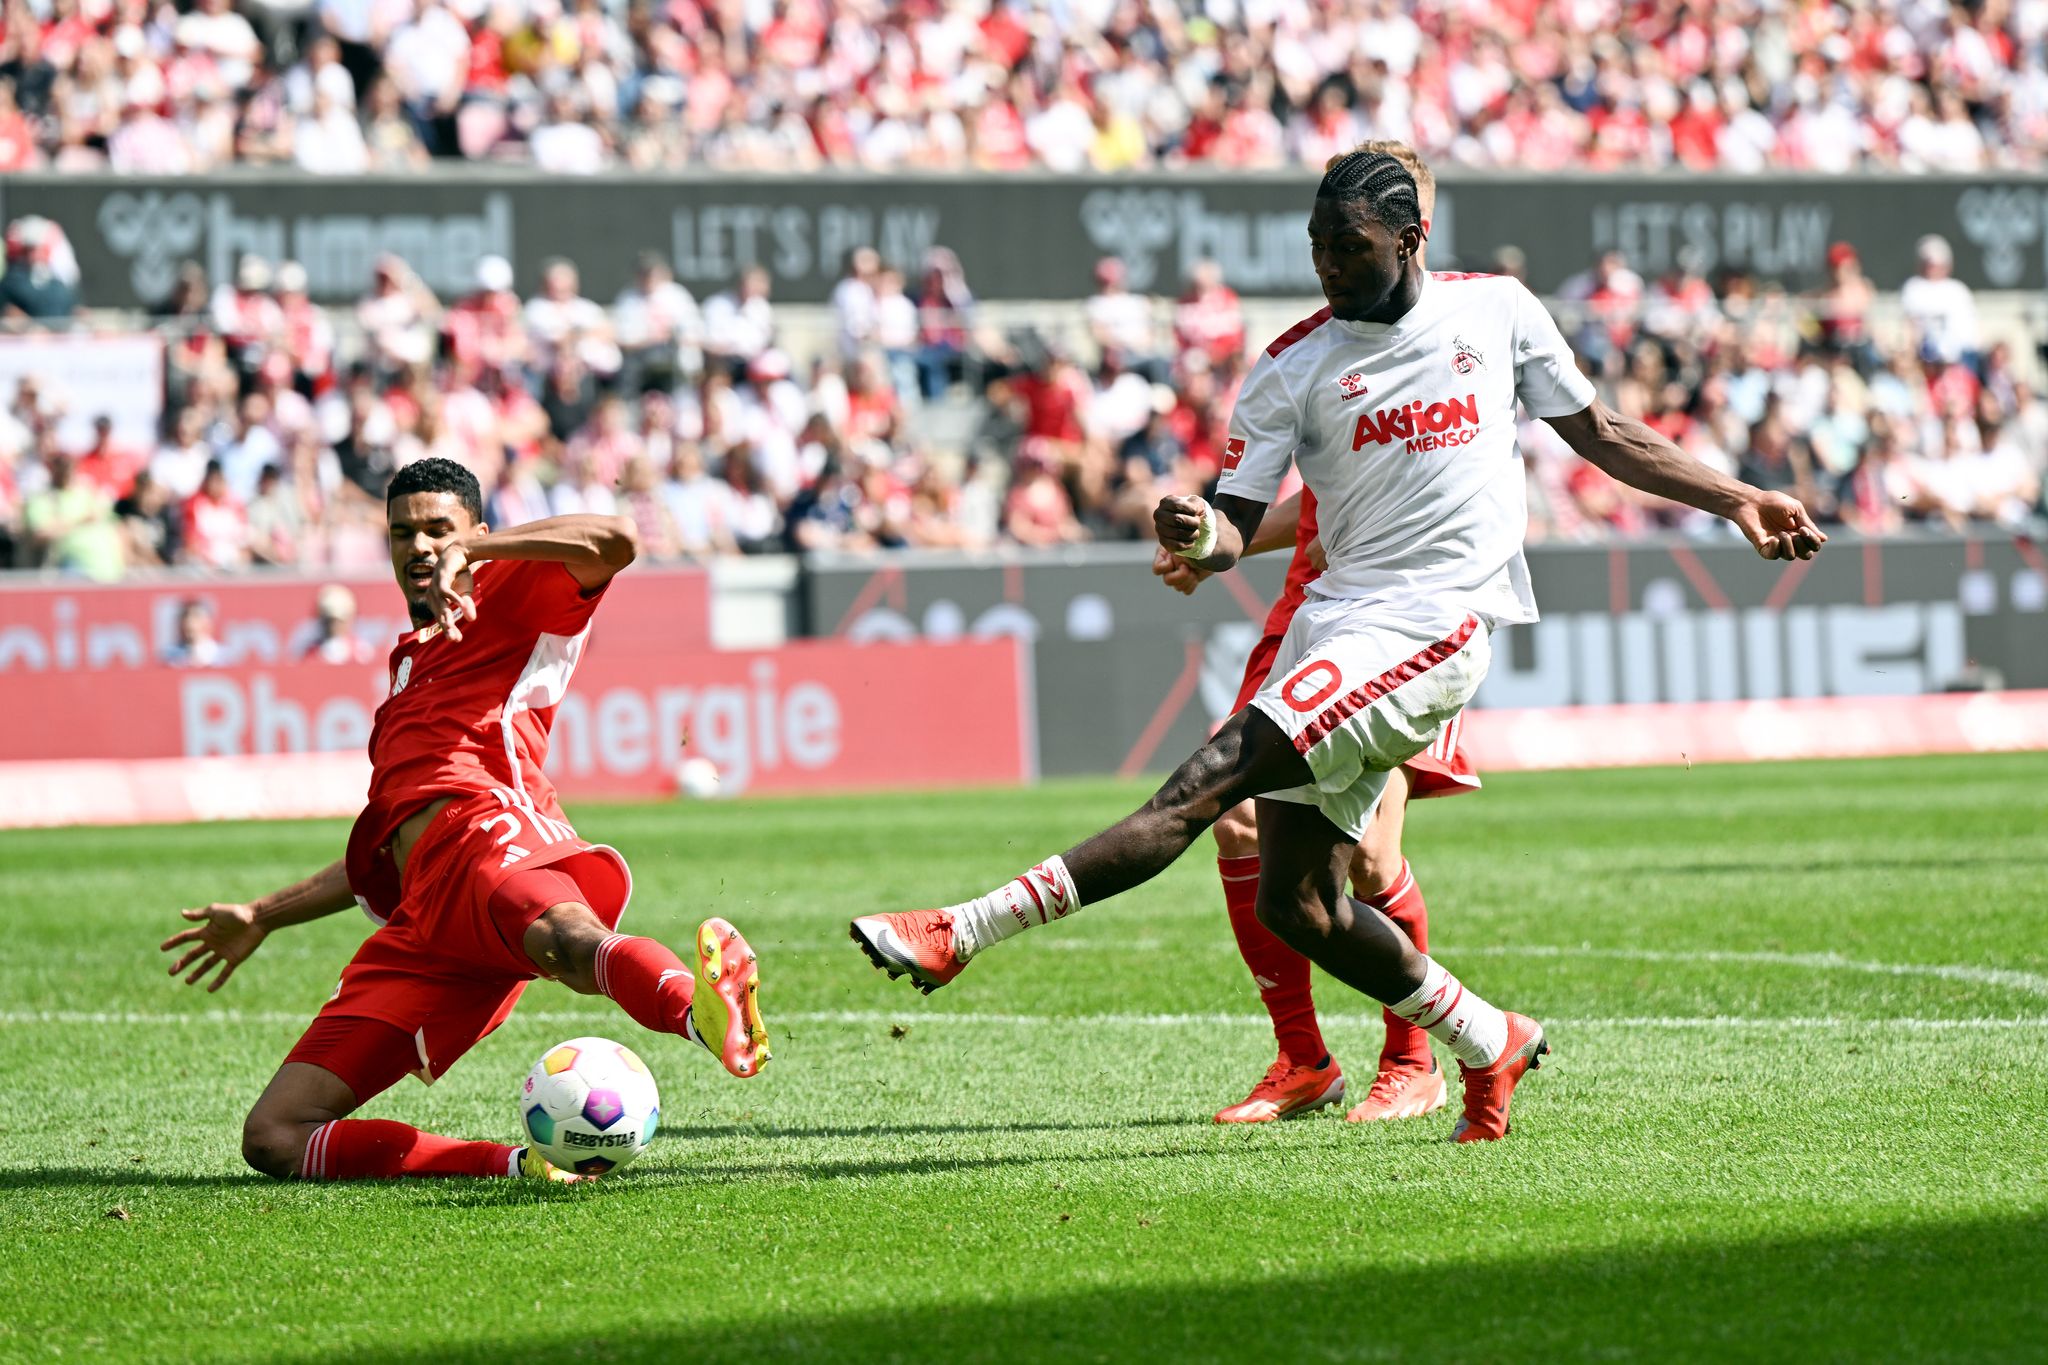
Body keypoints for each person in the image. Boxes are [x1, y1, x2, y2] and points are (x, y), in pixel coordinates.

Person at [852, 150, 1825, 1143]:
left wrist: (1738, 498)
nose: (1325, 263)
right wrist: (1196, 532)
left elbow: (1604, 433)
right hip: (1332, 622)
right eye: (1314, 244)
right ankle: (1488, 1040)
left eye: (1346, 245)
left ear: (1409, 240)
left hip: (1432, 620)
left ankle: (960, 930)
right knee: (1298, 905)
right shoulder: (1288, 368)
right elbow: (1231, 531)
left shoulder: (1493, 312)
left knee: (1205, 784)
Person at [160, 459, 771, 1182]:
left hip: (488, 829)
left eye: (437, 529)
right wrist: (263, 913)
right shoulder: (406, 668)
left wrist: (479, 553)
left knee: (566, 940)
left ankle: (699, 1012)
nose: (418, 545)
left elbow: (614, 538)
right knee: (275, 1136)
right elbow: (381, 858)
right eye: (402, 532)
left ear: (474, 532)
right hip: (426, 917)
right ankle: (520, 1166)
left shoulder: (507, 590)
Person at [1147, 142, 1482, 1126]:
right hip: (1310, 613)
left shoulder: (1452, 341)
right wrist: (1228, 544)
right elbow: (1318, 506)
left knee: (1367, 861)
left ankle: (1413, 1058)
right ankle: (1301, 1059)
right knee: (1240, 819)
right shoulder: (1318, 355)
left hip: (1407, 623)